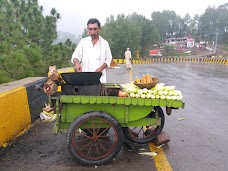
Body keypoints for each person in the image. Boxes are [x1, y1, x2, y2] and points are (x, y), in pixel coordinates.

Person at [71, 18, 112, 83]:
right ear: (88, 29)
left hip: (100, 80)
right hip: (84, 80)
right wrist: (77, 63)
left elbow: (108, 59)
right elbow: (75, 56)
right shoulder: (83, 42)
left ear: (99, 29)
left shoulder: (104, 43)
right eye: (90, 29)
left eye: (95, 29)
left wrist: (101, 68)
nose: (92, 32)